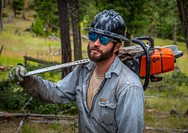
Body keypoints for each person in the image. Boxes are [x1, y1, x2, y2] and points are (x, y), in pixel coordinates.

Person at [9, 9, 144, 133]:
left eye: (104, 39)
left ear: (116, 47)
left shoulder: (129, 86)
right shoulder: (83, 70)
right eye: (92, 36)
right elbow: (55, 93)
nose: (96, 43)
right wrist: (26, 79)